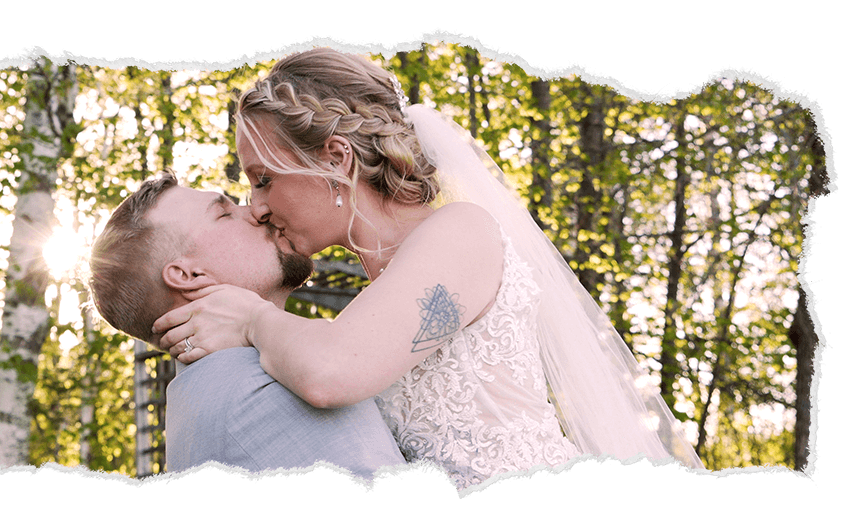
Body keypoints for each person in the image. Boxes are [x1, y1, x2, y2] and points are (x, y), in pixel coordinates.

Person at [152, 48, 704, 490]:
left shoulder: (461, 232)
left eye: (263, 177)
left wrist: (250, 317)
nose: (257, 205)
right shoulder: (385, 287)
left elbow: (330, 373)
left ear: (335, 158)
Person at [87, 170, 406, 481]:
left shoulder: (206, 392)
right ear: (188, 275)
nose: (255, 211)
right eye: (224, 214)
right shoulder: (254, 391)